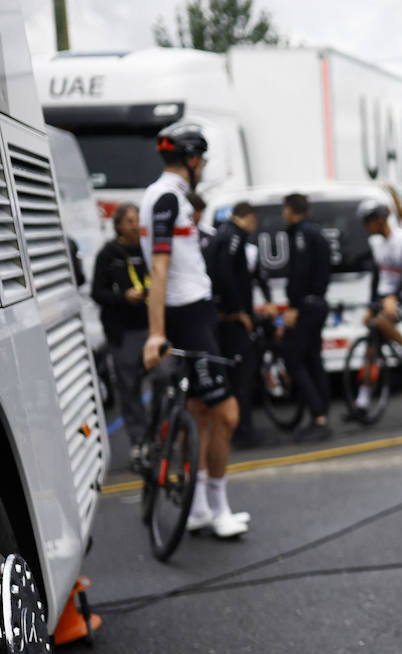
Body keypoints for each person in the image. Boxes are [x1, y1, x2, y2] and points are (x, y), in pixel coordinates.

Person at [140, 122, 249, 538]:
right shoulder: (168, 196)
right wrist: (156, 333)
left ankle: (201, 506)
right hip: (188, 314)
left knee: (202, 413)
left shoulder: (166, 196)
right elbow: (160, 267)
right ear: (191, 160)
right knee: (226, 414)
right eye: (200, 159)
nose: (202, 166)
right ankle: (217, 508)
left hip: (195, 312)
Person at [207, 201, 275, 448]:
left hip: (224, 319)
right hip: (231, 321)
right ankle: (242, 431)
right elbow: (225, 275)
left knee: (239, 377)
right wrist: (237, 312)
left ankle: (242, 427)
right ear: (247, 217)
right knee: (242, 378)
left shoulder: (223, 235)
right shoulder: (233, 238)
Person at [91, 203, 151, 456]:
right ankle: (139, 441)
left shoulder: (149, 249)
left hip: (151, 328)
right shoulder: (108, 254)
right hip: (123, 334)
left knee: (164, 378)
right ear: (118, 226)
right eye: (129, 221)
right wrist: (122, 297)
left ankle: (162, 431)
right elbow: (97, 292)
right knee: (129, 388)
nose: (135, 225)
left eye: (137, 219)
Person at [352, 199, 402, 419]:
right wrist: (372, 304)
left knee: (381, 321)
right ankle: (362, 402)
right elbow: (377, 276)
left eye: (368, 222)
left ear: (380, 220)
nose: (365, 227)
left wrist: (394, 297)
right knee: (370, 348)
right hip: (385, 297)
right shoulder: (375, 243)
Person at [279, 193, 333, 441]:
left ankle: (318, 416)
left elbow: (300, 272)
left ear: (291, 210)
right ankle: (322, 415)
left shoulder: (302, 234)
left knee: (293, 358)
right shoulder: (316, 232)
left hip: (307, 306)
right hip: (318, 303)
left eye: (285, 210)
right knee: (313, 359)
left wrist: (294, 306)